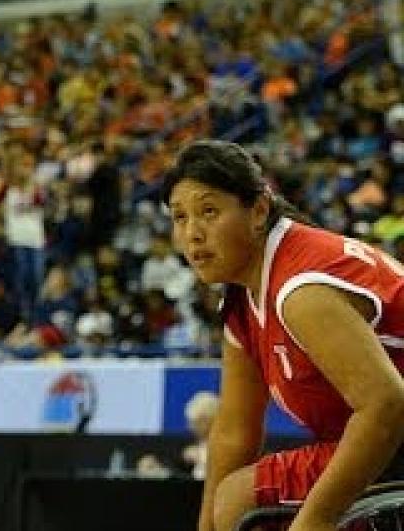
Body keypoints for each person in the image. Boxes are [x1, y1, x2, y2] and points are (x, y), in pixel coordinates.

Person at [164, 140, 404, 531]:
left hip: (395, 430)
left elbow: (387, 403)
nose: (193, 233)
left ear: (259, 210)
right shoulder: (245, 295)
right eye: (179, 217)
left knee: (241, 501)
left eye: (209, 211)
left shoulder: (300, 291)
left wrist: (316, 520)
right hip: (391, 442)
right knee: (229, 502)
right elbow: (233, 434)